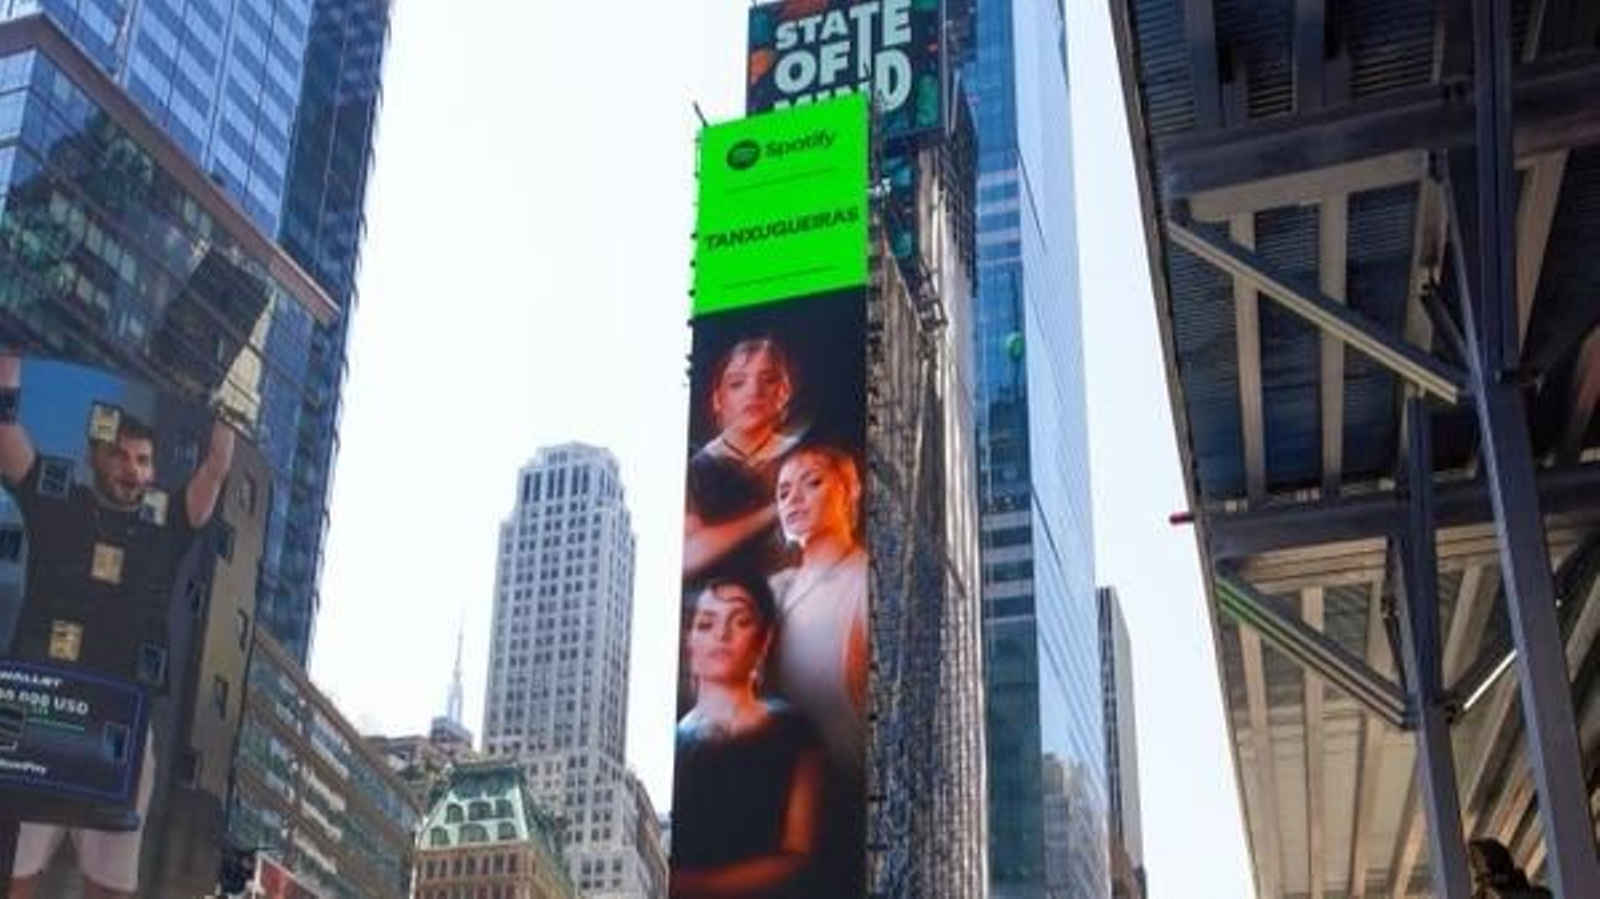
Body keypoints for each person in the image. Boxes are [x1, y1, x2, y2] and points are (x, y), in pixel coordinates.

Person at [0, 354, 234, 899]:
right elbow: (4, 431)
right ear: (95, 456)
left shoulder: (168, 524)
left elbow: (218, 468)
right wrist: (10, 360)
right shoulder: (56, 497)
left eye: (144, 459)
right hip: (40, 721)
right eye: (120, 455)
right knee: (15, 877)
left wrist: (233, 413)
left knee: (111, 889)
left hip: (120, 737)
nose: (132, 469)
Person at [671, 576, 823, 899]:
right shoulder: (675, 746)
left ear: (764, 639)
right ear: (689, 641)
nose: (721, 635)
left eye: (740, 621)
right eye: (706, 624)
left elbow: (799, 859)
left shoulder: (794, 730)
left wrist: (687, 886)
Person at [766, 444, 868, 775]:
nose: (793, 498)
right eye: (783, 492)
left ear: (849, 489)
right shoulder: (773, 590)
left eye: (812, 482)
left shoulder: (865, 581)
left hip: (846, 795)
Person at [683, 338, 804, 580]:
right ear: (717, 399)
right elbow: (690, 555)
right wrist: (772, 512)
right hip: (725, 604)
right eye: (737, 383)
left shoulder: (804, 454)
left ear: (785, 391)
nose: (754, 391)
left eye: (768, 380)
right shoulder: (698, 468)